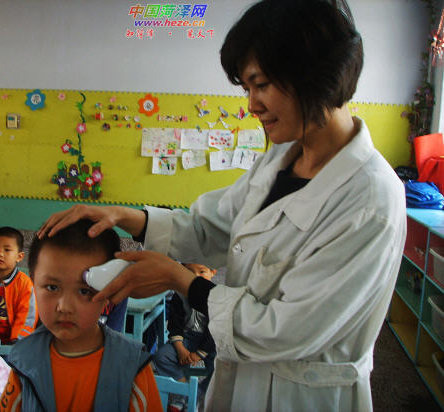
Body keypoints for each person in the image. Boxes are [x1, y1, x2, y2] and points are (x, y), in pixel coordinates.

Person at [38, 1, 407, 411]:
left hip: (303, 395)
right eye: (247, 89)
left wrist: (181, 280)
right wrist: (125, 217)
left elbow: (284, 331)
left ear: (314, 73)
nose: (252, 105)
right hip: (242, 379)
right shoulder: (281, 159)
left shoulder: (369, 199)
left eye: (260, 84)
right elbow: (209, 227)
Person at [0, 219, 162, 412]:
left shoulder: (131, 366)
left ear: (110, 290)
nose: (64, 307)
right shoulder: (24, 359)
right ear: (33, 284)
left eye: (84, 291)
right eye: (52, 288)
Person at [153, 263, 217, 412]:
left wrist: (200, 353)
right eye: (189, 271)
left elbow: (217, 329)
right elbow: (175, 325)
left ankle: (200, 394)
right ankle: (182, 393)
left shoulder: (217, 297)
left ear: (213, 272)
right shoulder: (179, 295)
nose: (195, 277)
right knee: (161, 357)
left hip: (210, 342)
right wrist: (180, 349)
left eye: (202, 272)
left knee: (221, 362)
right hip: (186, 338)